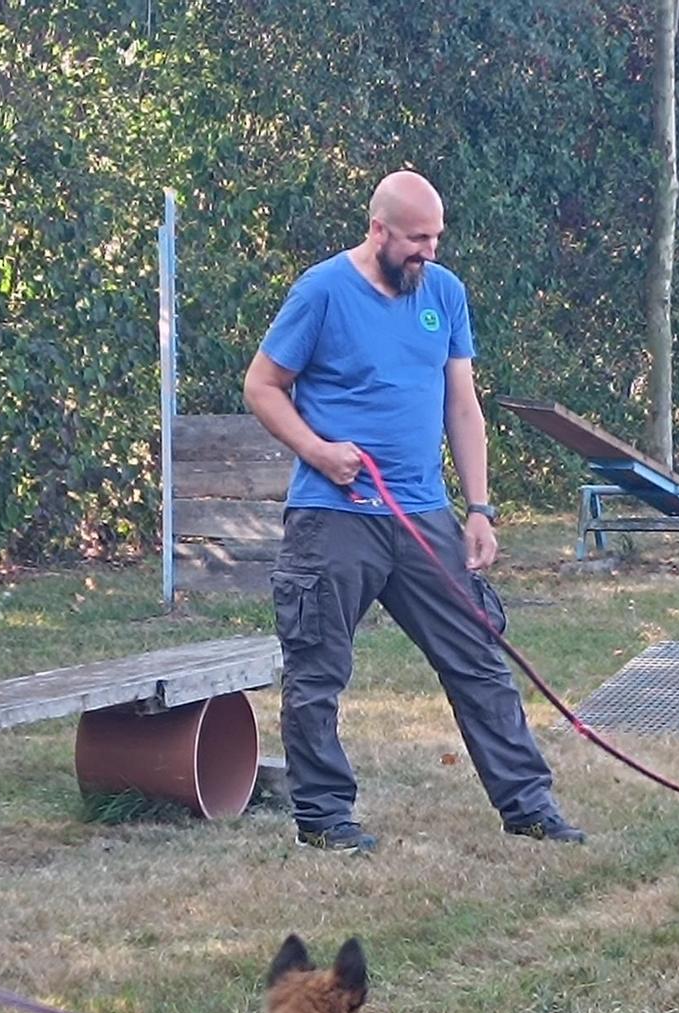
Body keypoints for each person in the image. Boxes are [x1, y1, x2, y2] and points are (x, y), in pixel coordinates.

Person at [242, 170, 585, 854]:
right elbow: (262, 385)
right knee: (318, 670)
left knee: (478, 657)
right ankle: (326, 818)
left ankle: (528, 805)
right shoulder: (321, 291)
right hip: (333, 516)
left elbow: (462, 405)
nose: (428, 251)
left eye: (436, 237)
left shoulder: (445, 294)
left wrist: (480, 509)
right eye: (417, 239)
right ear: (379, 231)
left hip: (421, 514)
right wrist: (317, 449)